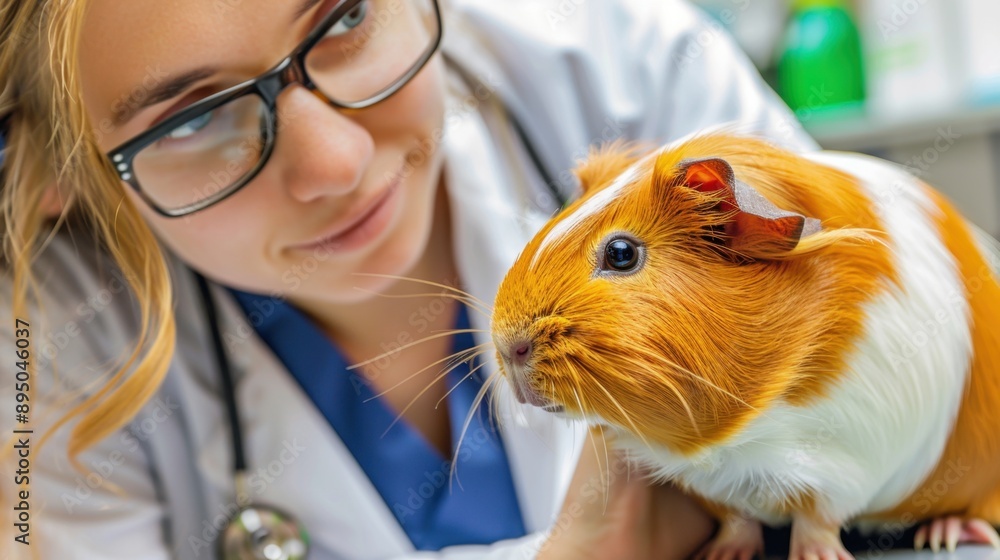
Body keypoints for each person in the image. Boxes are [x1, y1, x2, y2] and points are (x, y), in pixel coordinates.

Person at [0, 0, 816, 558]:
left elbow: (895, 399)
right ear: (54, 176)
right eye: (193, 117)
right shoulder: (45, 348)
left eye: (347, 17)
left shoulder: (615, 70)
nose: (337, 162)